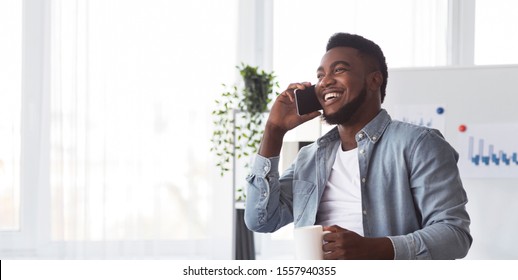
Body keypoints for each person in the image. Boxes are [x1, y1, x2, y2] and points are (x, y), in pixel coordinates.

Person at [244, 32, 472, 260]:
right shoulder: (309, 157)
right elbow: (262, 220)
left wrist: (373, 249)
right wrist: (274, 131)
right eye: (320, 75)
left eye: (339, 70)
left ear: (374, 80)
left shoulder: (419, 145)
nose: (325, 81)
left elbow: (454, 235)